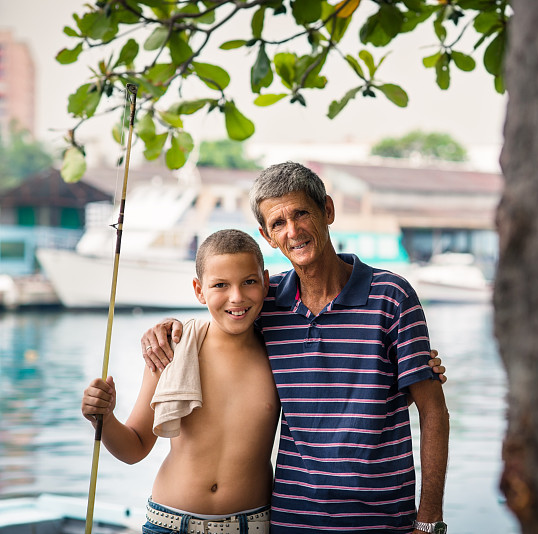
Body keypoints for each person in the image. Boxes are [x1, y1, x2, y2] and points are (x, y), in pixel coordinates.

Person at [141, 162, 450, 534]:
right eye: (278, 223)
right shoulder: (266, 304)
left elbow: (433, 411)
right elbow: (221, 318)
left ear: (328, 211)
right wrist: (166, 330)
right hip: (290, 521)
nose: (293, 230)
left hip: (381, 519)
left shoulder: (393, 296)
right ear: (267, 236)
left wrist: (429, 519)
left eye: (301, 213)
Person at [82, 229, 277, 533]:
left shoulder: (279, 355)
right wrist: (103, 418)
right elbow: (134, 448)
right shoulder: (172, 349)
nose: (236, 297)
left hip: (251, 525)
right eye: (220, 285)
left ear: (265, 282)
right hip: (170, 523)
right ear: (199, 290)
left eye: (249, 282)